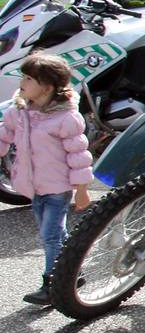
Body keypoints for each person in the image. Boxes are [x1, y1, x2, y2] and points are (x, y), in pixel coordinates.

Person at [0, 53, 93, 305]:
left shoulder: (66, 118)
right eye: (24, 76)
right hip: (33, 185)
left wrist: (82, 188)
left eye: (30, 78)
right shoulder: (19, 111)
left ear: (47, 87)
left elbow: (79, 156)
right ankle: (73, 272)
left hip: (57, 187)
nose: (23, 82)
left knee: (50, 235)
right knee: (55, 233)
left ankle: (52, 285)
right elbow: (4, 136)